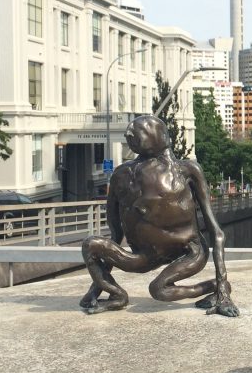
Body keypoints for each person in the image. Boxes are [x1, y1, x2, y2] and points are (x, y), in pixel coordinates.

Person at [79, 114, 238, 317]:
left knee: (159, 290)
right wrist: (97, 288)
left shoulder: (187, 171)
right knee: (90, 245)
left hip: (189, 253)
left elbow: (217, 233)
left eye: (142, 130)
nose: (131, 133)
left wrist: (223, 292)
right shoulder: (121, 176)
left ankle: (213, 288)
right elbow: (115, 235)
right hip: (143, 256)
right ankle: (117, 295)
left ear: (162, 136)